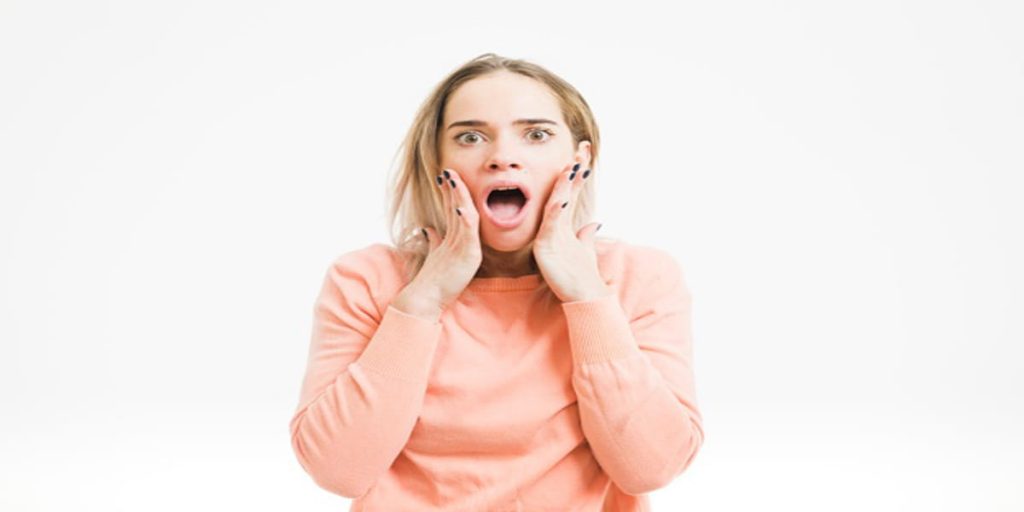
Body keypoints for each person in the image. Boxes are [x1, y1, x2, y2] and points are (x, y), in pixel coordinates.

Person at [288, 52, 705, 511]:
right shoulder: (365, 280)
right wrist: (423, 301)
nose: (502, 158)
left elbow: (651, 468)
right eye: (470, 137)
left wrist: (588, 297)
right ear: (435, 162)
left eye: (536, 135)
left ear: (579, 159)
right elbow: (338, 470)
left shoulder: (640, 279)